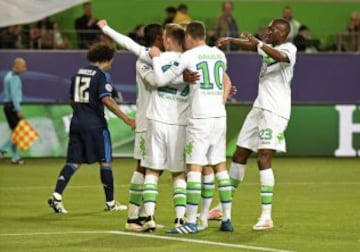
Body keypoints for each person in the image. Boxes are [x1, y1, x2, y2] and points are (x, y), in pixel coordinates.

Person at [212, 18, 297, 230]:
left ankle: (266, 216)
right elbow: (253, 45)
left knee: (264, 158)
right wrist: (230, 39)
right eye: (268, 28)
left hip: (275, 112)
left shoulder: (289, 48)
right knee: (239, 154)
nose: (269, 31)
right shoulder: (266, 47)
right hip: (258, 108)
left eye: (273, 29)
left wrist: (259, 43)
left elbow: (279, 56)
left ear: (284, 34)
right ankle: (224, 206)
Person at [149, 21, 234, 234]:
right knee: (220, 167)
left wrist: (157, 58)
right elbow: (225, 82)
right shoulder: (219, 55)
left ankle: (191, 222)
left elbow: (162, 79)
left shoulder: (188, 56)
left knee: (194, 168)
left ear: (188, 36)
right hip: (219, 116)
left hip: (200, 117)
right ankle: (227, 218)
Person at [47, 42, 135, 214]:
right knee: (105, 161)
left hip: (77, 123)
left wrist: (81, 113)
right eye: (112, 60)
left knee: (73, 161)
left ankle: (57, 196)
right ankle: (110, 203)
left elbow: (72, 100)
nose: (112, 64)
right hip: (96, 125)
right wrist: (127, 119)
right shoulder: (102, 76)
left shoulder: (78, 74)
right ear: (106, 59)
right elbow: (107, 100)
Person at [97, 20, 164, 231]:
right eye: (166, 36)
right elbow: (127, 43)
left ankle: (145, 214)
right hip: (147, 121)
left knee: (156, 169)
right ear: (158, 38)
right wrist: (107, 28)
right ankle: (133, 217)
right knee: (143, 167)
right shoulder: (145, 58)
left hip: (161, 122)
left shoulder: (162, 58)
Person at [0, 58, 27, 164]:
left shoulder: (8, 76)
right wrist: (18, 110)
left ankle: (15, 157)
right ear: (17, 65)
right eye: (23, 66)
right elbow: (14, 96)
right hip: (12, 108)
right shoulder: (15, 78)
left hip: (7, 107)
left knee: (15, 133)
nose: (25, 68)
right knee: (18, 132)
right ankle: (2, 149)